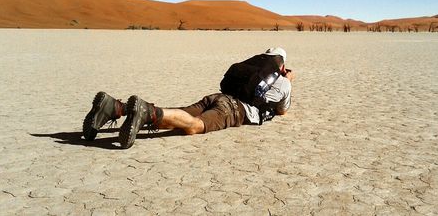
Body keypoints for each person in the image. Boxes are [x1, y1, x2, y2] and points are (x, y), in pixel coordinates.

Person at [83, 47, 294, 149]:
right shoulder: (282, 81)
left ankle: (115, 107)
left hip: (217, 97)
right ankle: (147, 113)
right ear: (282, 65)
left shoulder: (253, 68)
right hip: (233, 110)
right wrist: (288, 81)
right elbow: (282, 110)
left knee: (180, 113)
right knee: (194, 126)